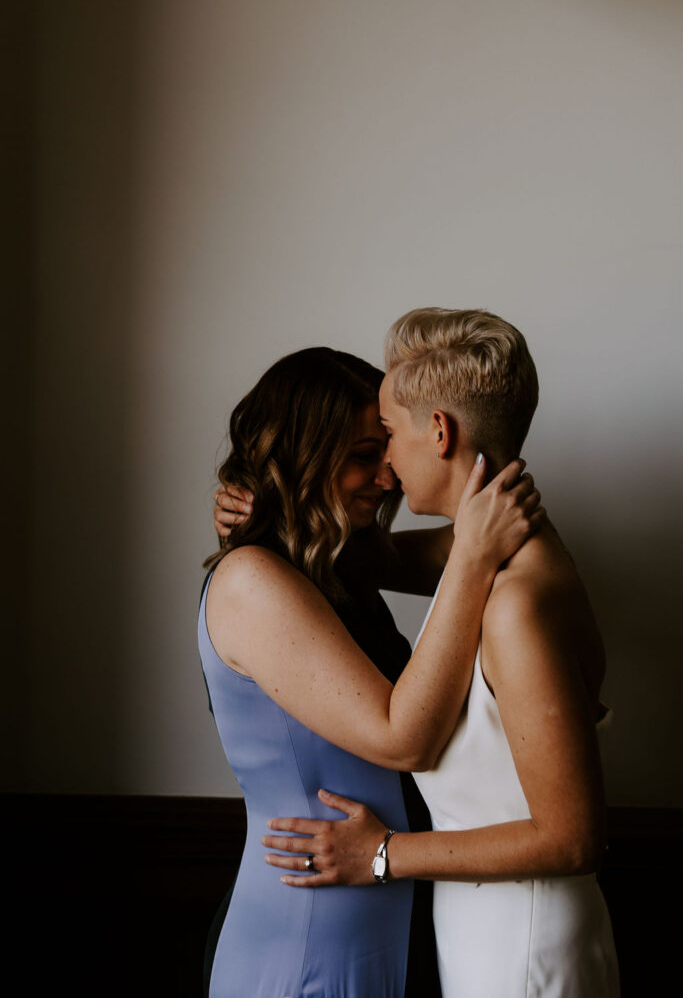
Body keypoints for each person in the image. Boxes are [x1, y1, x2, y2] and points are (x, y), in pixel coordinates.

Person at [258, 310, 620, 998]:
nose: (386, 465)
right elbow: (367, 558)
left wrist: (383, 856)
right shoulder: (490, 556)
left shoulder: (514, 601)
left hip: (522, 947)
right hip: (485, 930)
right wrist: (261, 515)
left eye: (388, 436)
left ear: (440, 432)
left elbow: (573, 838)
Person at [201, 345, 541, 998]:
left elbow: (498, 541)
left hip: (390, 918)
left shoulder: (337, 570)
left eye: (386, 451)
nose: (387, 477)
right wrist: (472, 556)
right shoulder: (250, 579)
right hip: (308, 937)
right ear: (299, 457)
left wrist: (482, 514)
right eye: (363, 456)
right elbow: (403, 739)